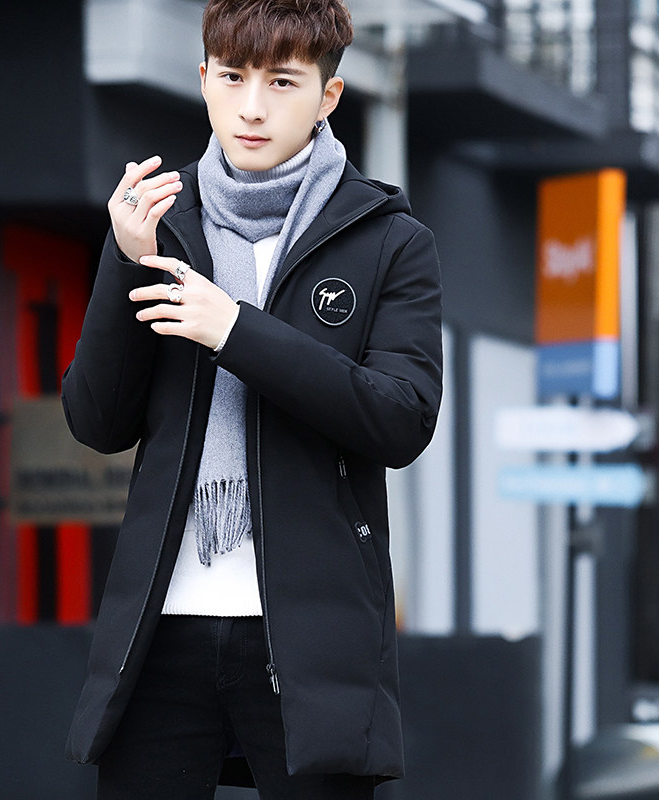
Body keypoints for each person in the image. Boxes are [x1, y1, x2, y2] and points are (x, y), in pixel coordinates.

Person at [61, 0, 442, 797]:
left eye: (282, 81)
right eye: (233, 78)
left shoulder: (389, 240)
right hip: (157, 633)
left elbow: (400, 418)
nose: (253, 106)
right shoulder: (161, 225)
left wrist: (235, 328)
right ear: (204, 79)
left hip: (311, 639)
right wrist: (126, 260)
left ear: (329, 95)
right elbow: (97, 421)